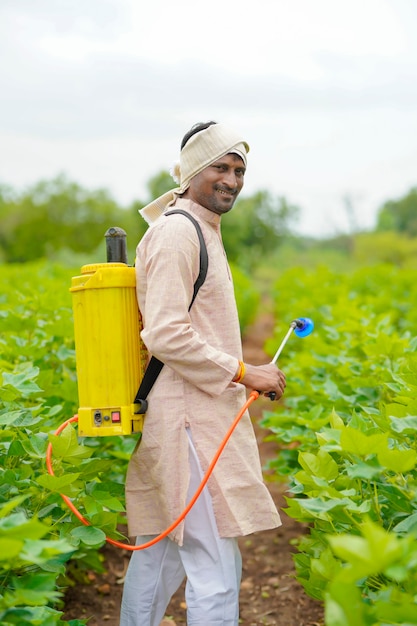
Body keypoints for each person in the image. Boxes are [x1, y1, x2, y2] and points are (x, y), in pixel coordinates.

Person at [120, 121, 286, 626]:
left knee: (163, 555)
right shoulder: (178, 232)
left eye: (239, 170)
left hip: (195, 413)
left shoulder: (199, 228)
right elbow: (167, 334)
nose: (232, 180)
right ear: (193, 171)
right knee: (214, 564)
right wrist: (244, 372)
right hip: (190, 420)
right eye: (221, 167)